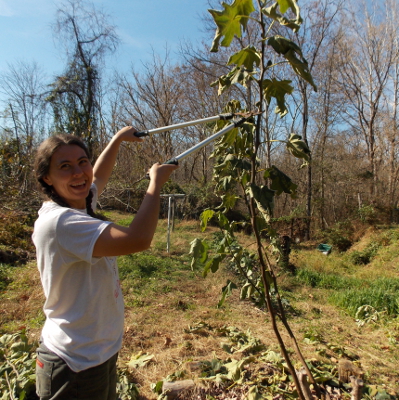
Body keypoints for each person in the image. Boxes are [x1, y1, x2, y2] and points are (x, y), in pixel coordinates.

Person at [32, 126, 178, 400]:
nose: (78, 173)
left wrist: (117, 140)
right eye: (65, 166)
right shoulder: (61, 222)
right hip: (74, 360)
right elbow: (138, 239)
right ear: (47, 179)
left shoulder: (78, 203)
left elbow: (97, 176)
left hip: (97, 351)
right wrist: (155, 183)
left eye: (82, 162)